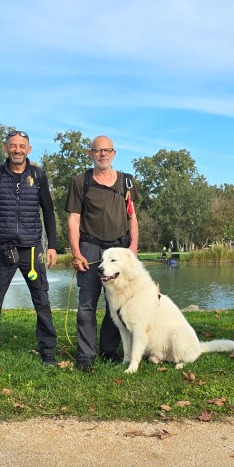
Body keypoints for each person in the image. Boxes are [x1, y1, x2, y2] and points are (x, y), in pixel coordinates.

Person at [0, 130, 59, 367]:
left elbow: (49, 212)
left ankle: (49, 354)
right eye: (13, 146)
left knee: (42, 302)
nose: (17, 150)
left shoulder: (39, 175)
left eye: (22, 146)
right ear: (6, 148)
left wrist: (52, 245)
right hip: (1, 247)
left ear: (29, 150)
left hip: (32, 249)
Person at [66, 135, 139, 372]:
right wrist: (76, 252)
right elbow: (74, 219)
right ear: (91, 154)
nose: (103, 154)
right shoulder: (80, 181)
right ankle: (86, 356)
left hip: (119, 250)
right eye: (98, 150)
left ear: (114, 154)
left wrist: (133, 249)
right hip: (90, 248)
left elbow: (132, 217)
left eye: (107, 150)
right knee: (87, 304)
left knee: (115, 305)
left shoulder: (127, 182)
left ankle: (109, 350)